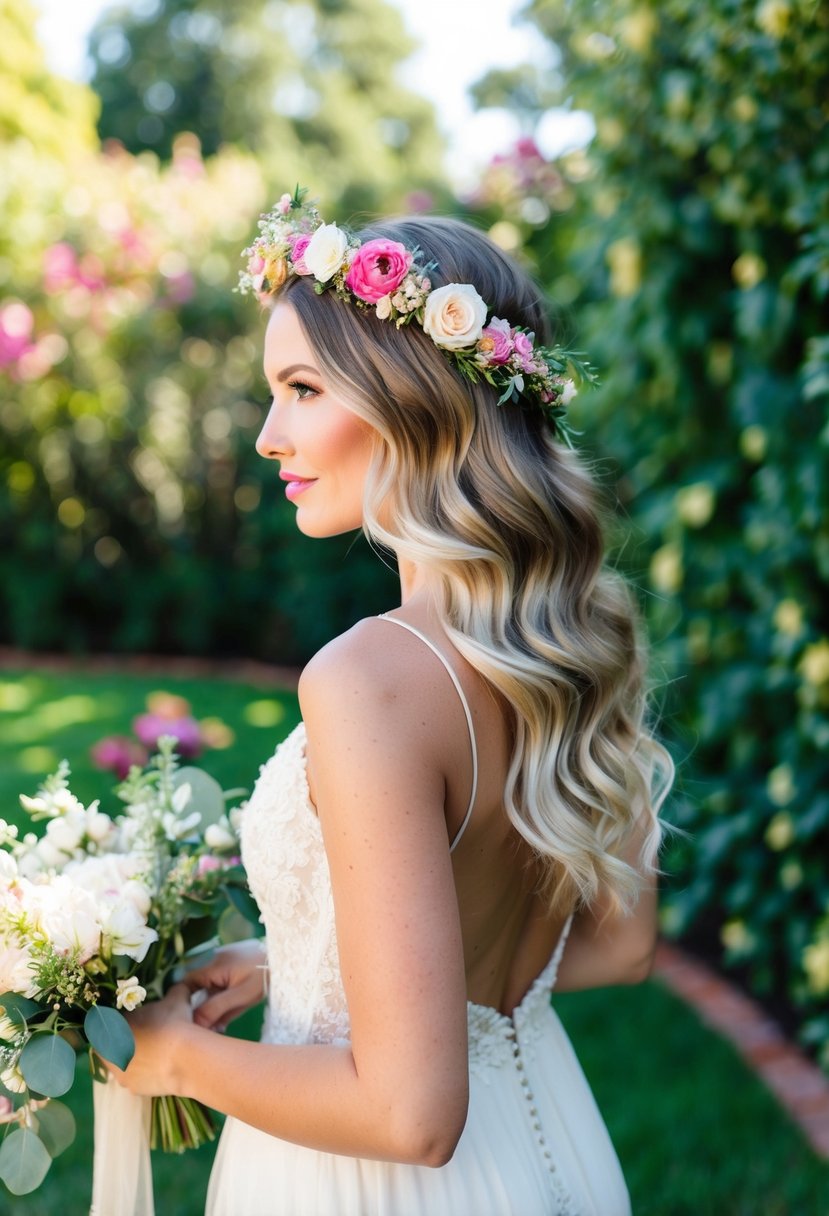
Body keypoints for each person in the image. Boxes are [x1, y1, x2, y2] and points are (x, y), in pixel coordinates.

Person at [112, 188, 673, 1215]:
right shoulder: (576, 634)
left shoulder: (366, 677)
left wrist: (173, 1059)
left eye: (303, 388)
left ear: (414, 397)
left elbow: (411, 1113)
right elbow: (620, 945)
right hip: (558, 1147)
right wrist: (300, 965)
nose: (269, 436)